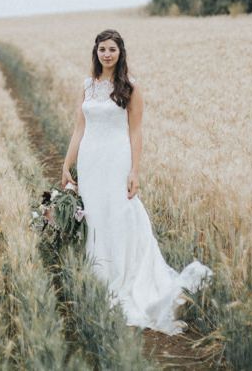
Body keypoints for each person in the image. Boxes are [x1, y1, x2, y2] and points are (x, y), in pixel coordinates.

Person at [61, 28, 210, 335]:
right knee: (95, 215)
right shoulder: (87, 86)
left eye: (112, 49)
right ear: (96, 52)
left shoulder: (130, 87)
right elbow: (79, 128)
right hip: (90, 160)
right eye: (102, 49)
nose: (107, 54)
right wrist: (67, 164)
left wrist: (134, 171)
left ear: (120, 52)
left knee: (120, 212)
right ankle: (100, 274)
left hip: (116, 159)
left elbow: (135, 132)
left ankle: (130, 277)